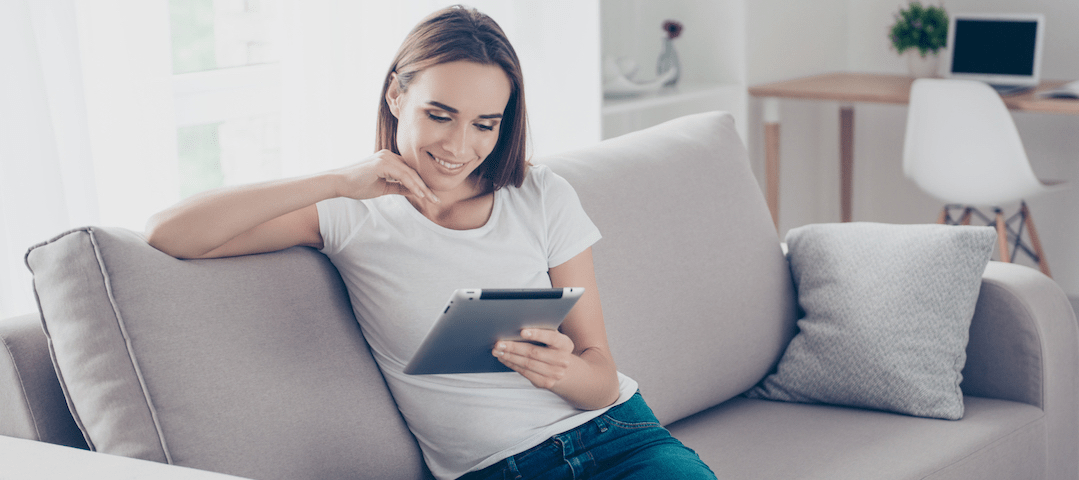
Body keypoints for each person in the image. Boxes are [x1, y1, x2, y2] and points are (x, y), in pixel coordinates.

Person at [146, 6, 716, 480]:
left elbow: (600, 377)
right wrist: (340, 180)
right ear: (397, 95)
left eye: (485, 124)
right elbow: (172, 233)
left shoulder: (541, 194)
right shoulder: (349, 213)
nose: (459, 146)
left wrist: (560, 371)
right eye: (439, 115)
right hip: (493, 470)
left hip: (617, 439)